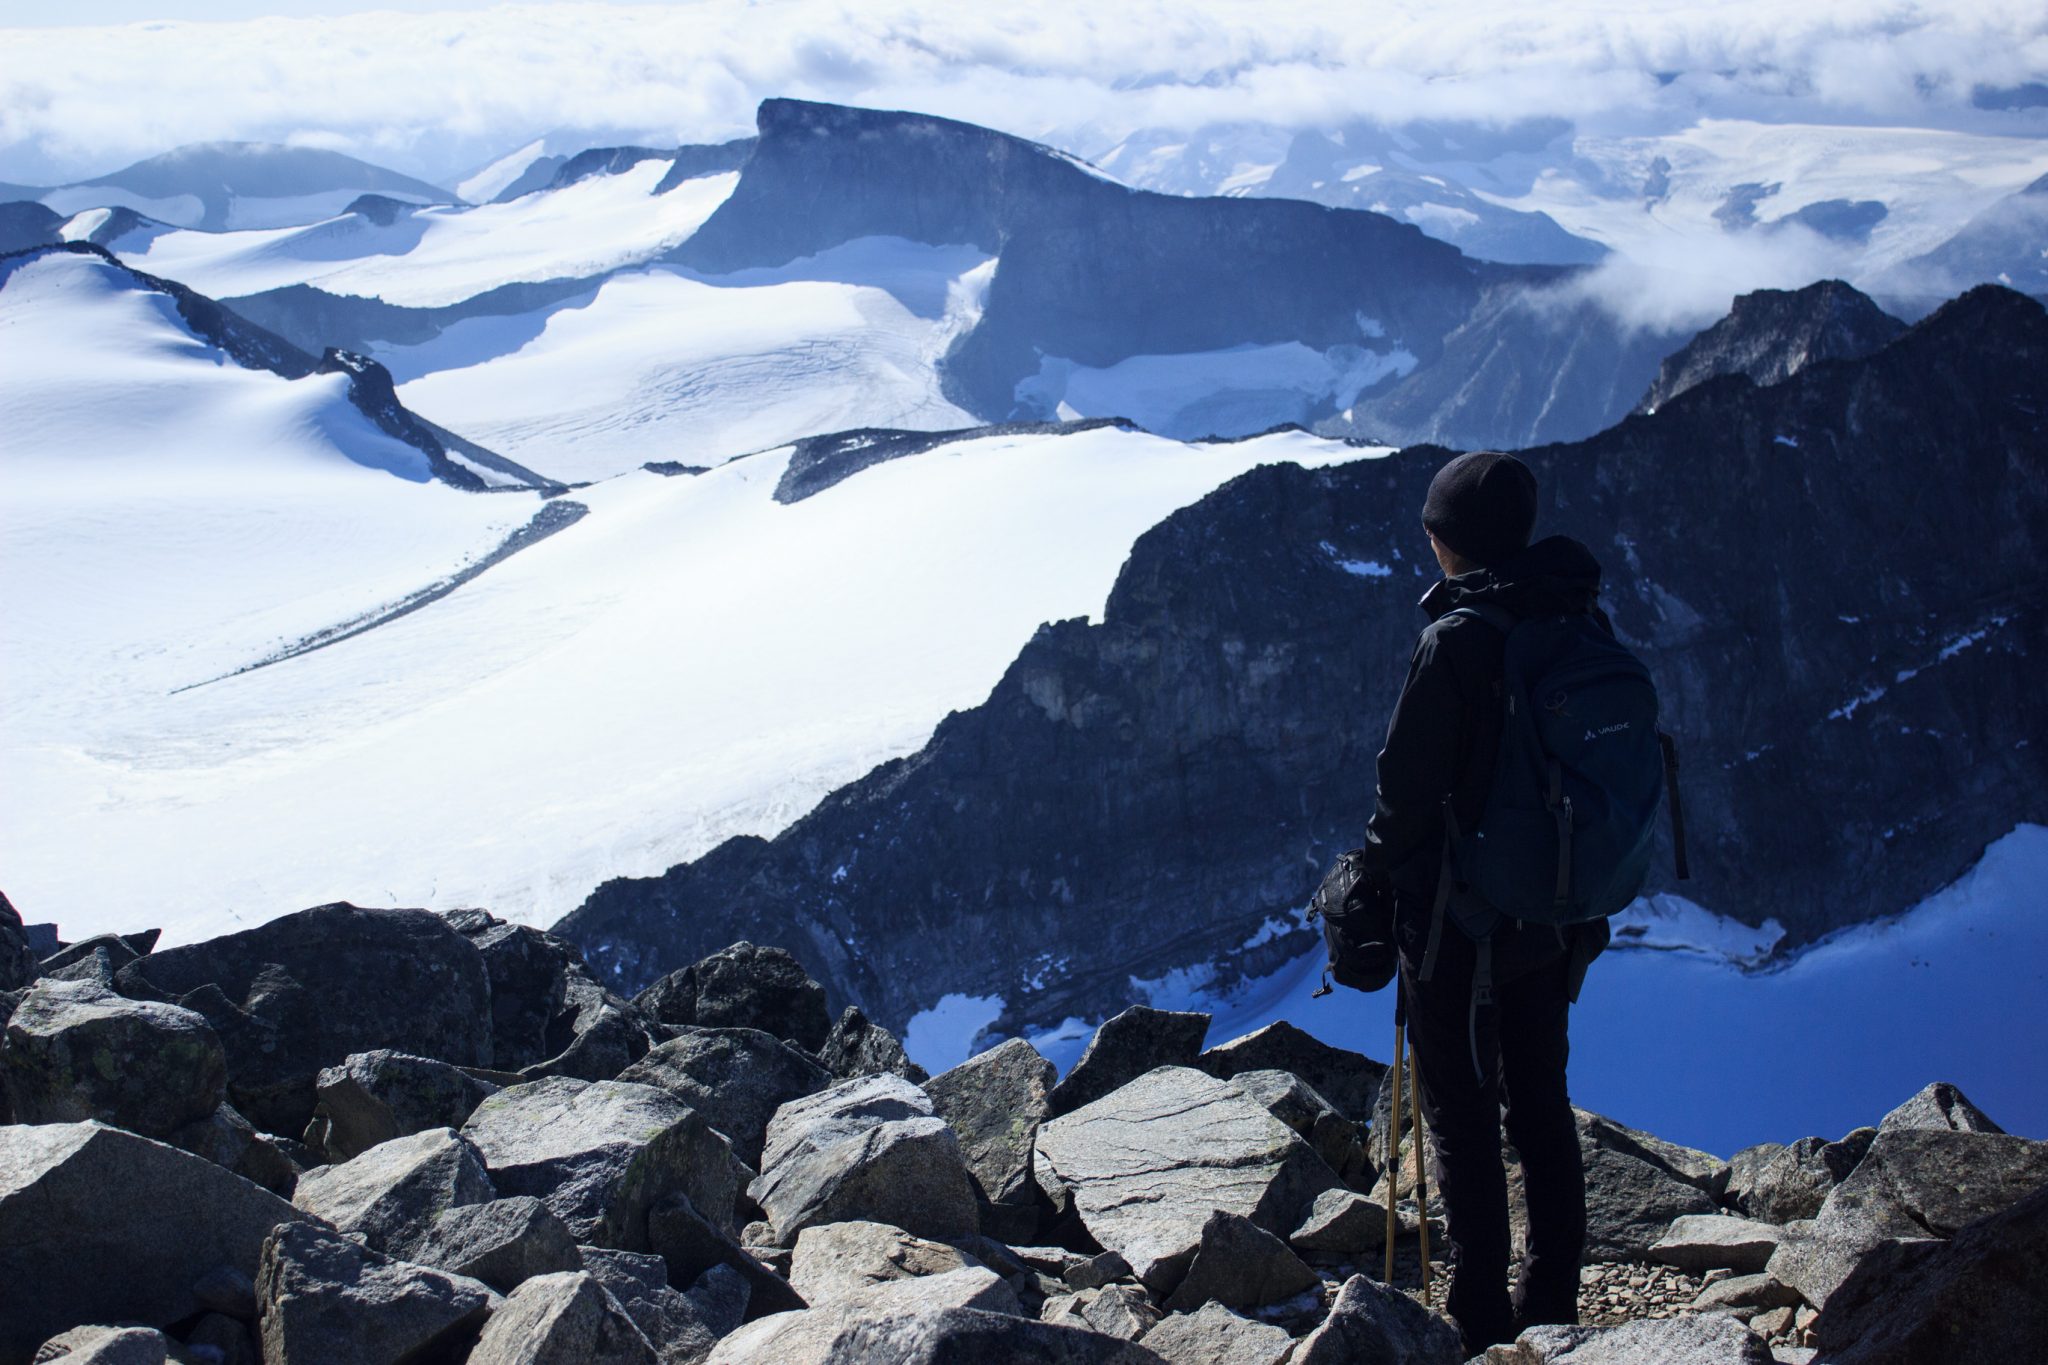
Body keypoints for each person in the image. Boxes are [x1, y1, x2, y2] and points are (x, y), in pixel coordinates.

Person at [1358, 449, 1611, 1355]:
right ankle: (1554, 1306)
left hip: (1458, 927)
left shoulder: (1456, 640)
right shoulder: (1572, 608)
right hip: (1554, 914)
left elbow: (1407, 792)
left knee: (1462, 1118)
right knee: (1542, 1101)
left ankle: (1476, 1317)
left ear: (1443, 542)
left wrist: (1367, 875)